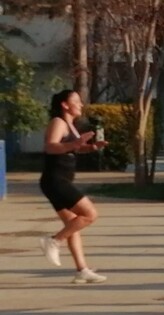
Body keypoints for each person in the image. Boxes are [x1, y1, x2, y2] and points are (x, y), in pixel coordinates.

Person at [39, 90, 108, 283]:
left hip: (59, 180)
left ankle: (82, 270)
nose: (81, 104)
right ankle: (53, 241)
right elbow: (51, 146)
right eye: (76, 101)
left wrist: (92, 147)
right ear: (65, 104)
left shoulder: (70, 125)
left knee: (73, 225)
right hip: (56, 180)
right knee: (90, 214)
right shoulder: (58, 122)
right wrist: (76, 143)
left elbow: (71, 148)